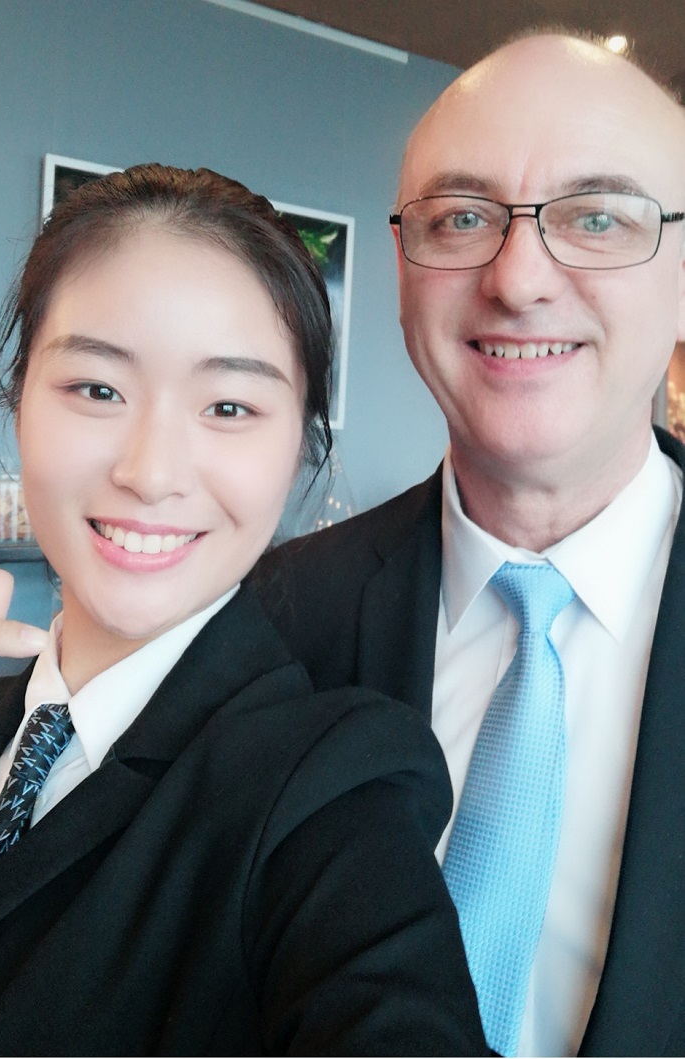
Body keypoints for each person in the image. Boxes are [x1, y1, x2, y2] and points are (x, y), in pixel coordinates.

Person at [0, 163, 490, 1056]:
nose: (150, 472)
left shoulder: (329, 791)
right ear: (17, 401)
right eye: (97, 388)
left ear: (301, 450)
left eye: (228, 406)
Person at [250, 30, 685, 1059]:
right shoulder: (273, 621)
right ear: (403, 267)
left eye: (597, 217)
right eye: (460, 218)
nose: (519, 279)